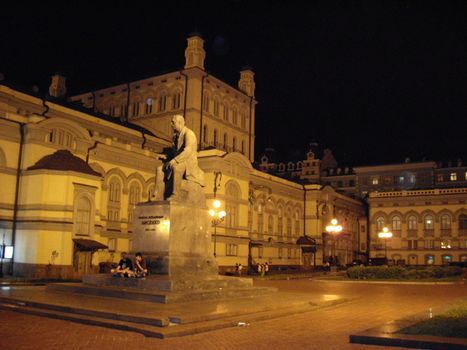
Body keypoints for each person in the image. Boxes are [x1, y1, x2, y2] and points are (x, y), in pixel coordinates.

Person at [155, 114, 205, 200]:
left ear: (180, 123)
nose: (171, 124)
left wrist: (175, 160)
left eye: (173, 122)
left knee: (177, 167)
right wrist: (165, 156)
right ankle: (157, 195)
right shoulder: (175, 136)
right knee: (160, 169)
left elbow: (188, 151)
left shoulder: (189, 134)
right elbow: (174, 152)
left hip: (188, 163)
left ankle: (175, 194)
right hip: (179, 160)